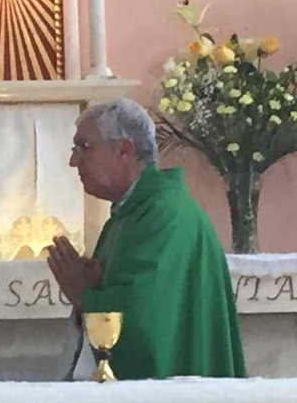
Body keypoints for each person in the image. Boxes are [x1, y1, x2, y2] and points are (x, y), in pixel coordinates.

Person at [47, 98, 245, 380]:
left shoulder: (165, 216)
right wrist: (97, 286)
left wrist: (84, 294)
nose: (73, 160)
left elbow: (144, 319)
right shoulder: (129, 214)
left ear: (124, 151)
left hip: (173, 397)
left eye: (84, 147)